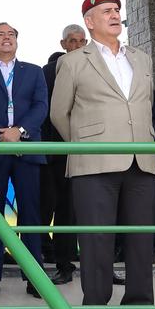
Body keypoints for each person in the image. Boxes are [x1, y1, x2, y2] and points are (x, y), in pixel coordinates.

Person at [50, 0, 155, 309]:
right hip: (94, 160)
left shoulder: (141, 58)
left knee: (140, 242)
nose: (115, 14)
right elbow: (60, 113)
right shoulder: (73, 61)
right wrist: (86, 144)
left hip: (141, 158)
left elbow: (145, 105)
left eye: (117, 10)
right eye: (106, 11)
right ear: (89, 21)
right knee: (96, 240)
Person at [0, 22, 49, 298]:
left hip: (26, 149)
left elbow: (41, 106)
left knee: (31, 215)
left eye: (11, 35)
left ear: (17, 41)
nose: (6, 38)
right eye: (0, 35)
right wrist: (1, 134)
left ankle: (35, 278)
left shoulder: (34, 71)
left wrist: (20, 131)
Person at [40, 23, 87, 283]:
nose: (76, 46)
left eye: (81, 41)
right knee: (46, 211)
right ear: (63, 45)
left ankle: (88, 265)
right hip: (54, 154)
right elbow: (45, 111)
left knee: (85, 214)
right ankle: (50, 266)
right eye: (72, 41)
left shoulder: (98, 70)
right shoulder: (48, 72)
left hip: (88, 154)